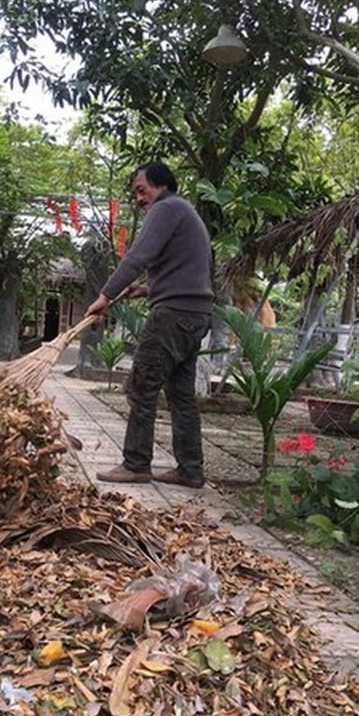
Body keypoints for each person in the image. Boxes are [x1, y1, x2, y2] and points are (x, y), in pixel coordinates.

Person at [86, 162, 213, 489]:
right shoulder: (185, 213)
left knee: (142, 386)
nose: (139, 199)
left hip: (172, 316)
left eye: (142, 190)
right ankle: (190, 469)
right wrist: (146, 289)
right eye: (135, 193)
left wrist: (105, 294)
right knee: (181, 395)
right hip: (194, 315)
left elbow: (138, 256)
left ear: (162, 185)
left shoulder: (166, 208)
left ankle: (136, 463)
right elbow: (187, 270)